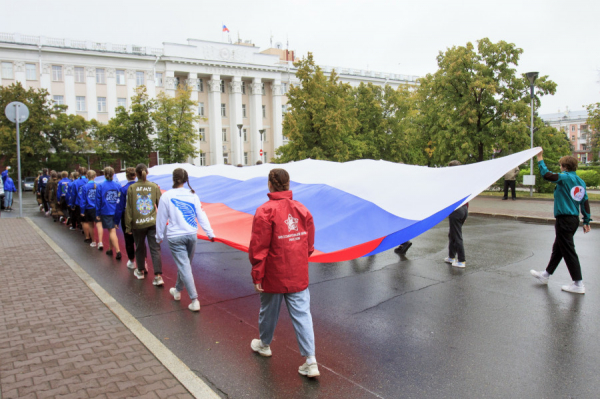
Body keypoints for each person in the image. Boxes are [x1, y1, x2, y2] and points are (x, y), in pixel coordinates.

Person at [248, 168, 319, 378]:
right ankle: (311, 361)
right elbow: (309, 244)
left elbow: (258, 248)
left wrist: (257, 274)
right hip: (297, 272)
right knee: (302, 314)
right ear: (288, 184)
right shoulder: (302, 209)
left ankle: (265, 344)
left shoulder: (264, 211)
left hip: (273, 273)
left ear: (270, 184)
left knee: (268, 311)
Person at [530, 150, 591, 294]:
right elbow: (585, 202)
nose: (560, 168)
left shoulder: (564, 178)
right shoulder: (580, 181)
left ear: (564, 166)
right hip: (573, 220)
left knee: (568, 251)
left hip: (564, 219)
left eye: (560, 165)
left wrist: (540, 158)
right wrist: (586, 220)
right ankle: (546, 275)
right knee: (558, 249)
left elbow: (547, 175)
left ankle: (578, 283)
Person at [156, 168, 216, 311]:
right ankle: (177, 290)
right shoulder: (193, 195)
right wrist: (210, 232)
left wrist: (158, 236)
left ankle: (194, 300)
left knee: (184, 266)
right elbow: (201, 214)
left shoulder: (166, 196)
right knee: (185, 265)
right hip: (191, 235)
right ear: (186, 180)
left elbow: (161, 218)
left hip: (175, 236)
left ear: (173, 179)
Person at [124, 163, 164, 286]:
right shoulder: (154, 187)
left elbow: (129, 209)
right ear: (147, 173)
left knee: (139, 247)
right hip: (152, 222)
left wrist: (128, 227)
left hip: (138, 223)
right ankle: (158, 276)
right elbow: (161, 206)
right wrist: (161, 225)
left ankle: (140, 271)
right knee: (155, 249)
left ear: (136, 174)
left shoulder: (132, 188)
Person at [444, 160, 468, 268]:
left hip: (456, 210)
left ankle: (461, 260)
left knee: (457, 236)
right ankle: (451, 256)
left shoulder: (451, 182)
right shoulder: (463, 180)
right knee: (452, 234)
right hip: (464, 209)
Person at [114, 167, 138, 269]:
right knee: (139, 240)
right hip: (139, 215)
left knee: (128, 239)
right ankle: (143, 262)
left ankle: (132, 261)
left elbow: (120, 206)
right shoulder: (140, 187)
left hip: (127, 216)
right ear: (135, 175)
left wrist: (116, 220)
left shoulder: (123, 189)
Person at [96, 167, 122, 259]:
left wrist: (97, 213)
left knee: (111, 230)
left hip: (106, 210)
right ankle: (110, 249)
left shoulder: (100, 185)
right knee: (112, 230)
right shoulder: (118, 185)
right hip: (116, 210)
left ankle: (118, 251)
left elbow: (98, 200)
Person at [80, 170, 101, 248]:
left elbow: (83, 200)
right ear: (95, 176)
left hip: (89, 208)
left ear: (87, 176)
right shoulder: (98, 185)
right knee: (99, 224)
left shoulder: (85, 187)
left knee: (91, 225)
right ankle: (100, 242)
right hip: (98, 207)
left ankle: (94, 241)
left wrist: (82, 211)